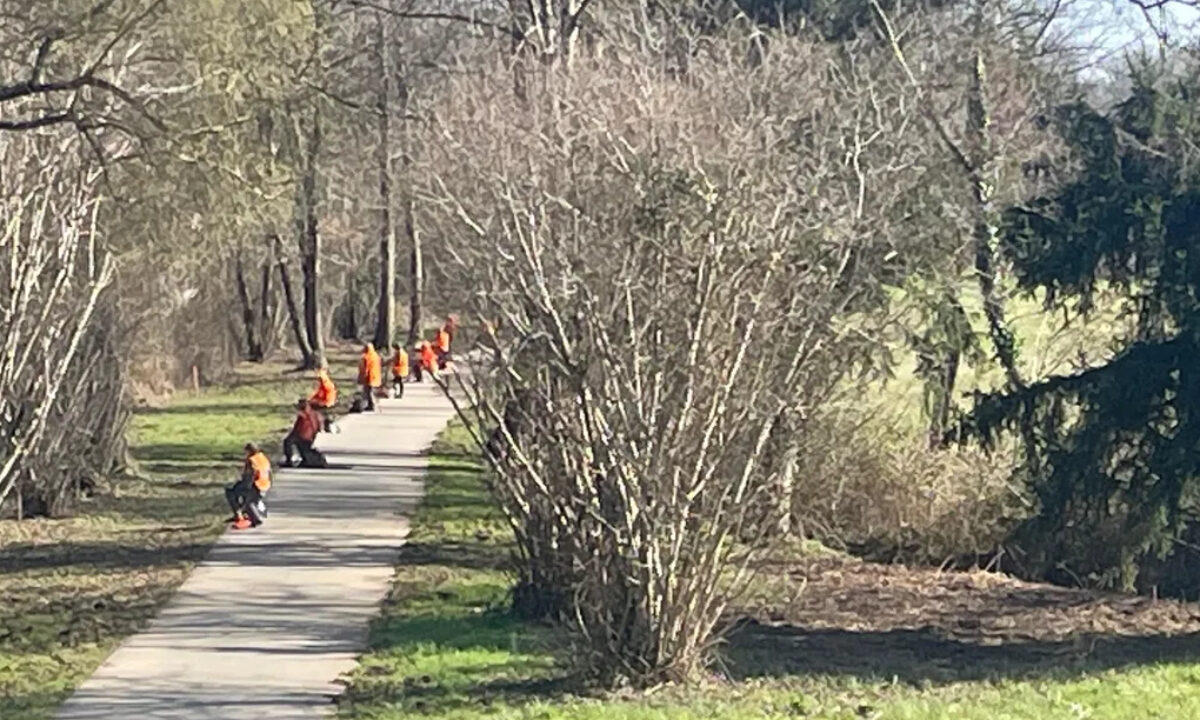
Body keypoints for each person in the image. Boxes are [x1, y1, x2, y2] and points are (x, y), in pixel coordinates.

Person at [226, 443, 271, 528]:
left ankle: (250, 518)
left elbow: (250, 475)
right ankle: (242, 514)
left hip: (256, 484)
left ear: (249, 451)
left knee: (232, 493)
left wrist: (244, 486)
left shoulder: (252, 460)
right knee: (244, 496)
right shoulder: (262, 457)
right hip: (265, 483)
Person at [282, 399, 326, 468]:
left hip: (304, 436)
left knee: (288, 442)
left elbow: (298, 428)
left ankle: (289, 460)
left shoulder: (304, 415)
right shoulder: (315, 414)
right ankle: (307, 460)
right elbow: (319, 427)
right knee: (304, 449)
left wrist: (292, 435)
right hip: (309, 437)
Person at [309, 364, 338, 432]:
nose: (318, 380)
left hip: (327, 402)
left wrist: (315, 401)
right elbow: (318, 394)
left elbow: (323, 396)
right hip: (327, 401)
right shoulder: (325, 384)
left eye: (319, 379)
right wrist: (311, 399)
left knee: (314, 410)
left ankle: (319, 427)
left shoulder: (326, 384)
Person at [357, 342, 383, 411]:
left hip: (369, 376)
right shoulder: (376, 356)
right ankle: (371, 405)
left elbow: (366, 368)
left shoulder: (367, 357)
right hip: (376, 375)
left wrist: (362, 377)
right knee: (371, 391)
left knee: (369, 392)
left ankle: (373, 405)